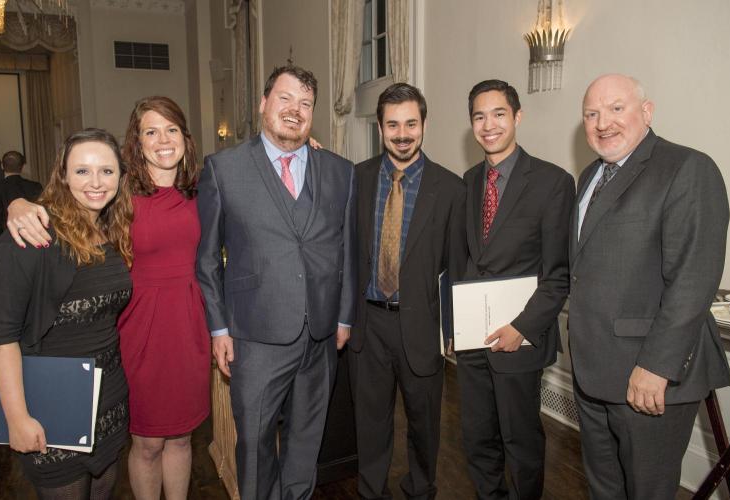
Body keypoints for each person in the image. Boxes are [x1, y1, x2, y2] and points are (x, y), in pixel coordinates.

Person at [7, 96, 210, 500]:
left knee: (183, 438)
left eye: (172, 129)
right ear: (136, 141)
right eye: (151, 131)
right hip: (137, 330)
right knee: (148, 442)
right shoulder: (119, 196)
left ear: (186, 139)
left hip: (189, 328)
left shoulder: (204, 190)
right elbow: (65, 206)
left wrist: (302, 148)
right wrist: (17, 204)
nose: (163, 139)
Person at [569, 74, 730, 500]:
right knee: (604, 490)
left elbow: (693, 278)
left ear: (647, 111)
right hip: (593, 373)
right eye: (592, 114)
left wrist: (657, 367)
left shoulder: (687, 168)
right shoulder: (589, 175)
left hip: (646, 377)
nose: (603, 122)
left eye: (616, 109)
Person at [196, 65, 356, 500]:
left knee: (306, 446)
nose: (295, 110)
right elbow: (207, 259)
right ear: (264, 104)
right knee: (255, 447)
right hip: (255, 337)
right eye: (285, 99)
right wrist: (219, 328)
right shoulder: (223, 169)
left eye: (305, 104)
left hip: (321, 336)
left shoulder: (340, 171)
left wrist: (344, 316)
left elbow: (345, 250)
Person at [0, 128, 133, 500]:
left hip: (109, 398)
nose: (96, 182)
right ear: (63, 176)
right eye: (82, 171)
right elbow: (2, 335)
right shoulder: (32, 234)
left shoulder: (111, 230)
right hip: (53, 403)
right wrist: (17, 419)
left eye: (107, 170)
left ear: (121, 176)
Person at [456, 79, 574, 500]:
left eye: (499, 114)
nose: (489, 125)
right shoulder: (467, 182)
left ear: (518, 116)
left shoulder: (552, 183)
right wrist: (455, 326)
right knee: (477, 438)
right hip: (472, 341)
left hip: (519, 340)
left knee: (521, 442)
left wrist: (521, 328)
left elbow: (558, 274)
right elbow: (464, 261)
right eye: (479, 116)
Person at [348, 83, 467, 500]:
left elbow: (457, 266)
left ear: (424, 125)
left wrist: (453, 329)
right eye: (393, 124)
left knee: (424, 424)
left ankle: (421, 490)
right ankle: (370, 491)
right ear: (380, 127)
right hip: (368, 324)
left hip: (421, 326)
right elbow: (346, 254)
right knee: (371, 423)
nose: (403, 134)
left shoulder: (451, 189)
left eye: (411, 124)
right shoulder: (357, 179)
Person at [0, 151, 43, 243]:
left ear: (2, 166)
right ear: (22, 167)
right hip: (33, 238)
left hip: (7, 239)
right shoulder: (35, 186)